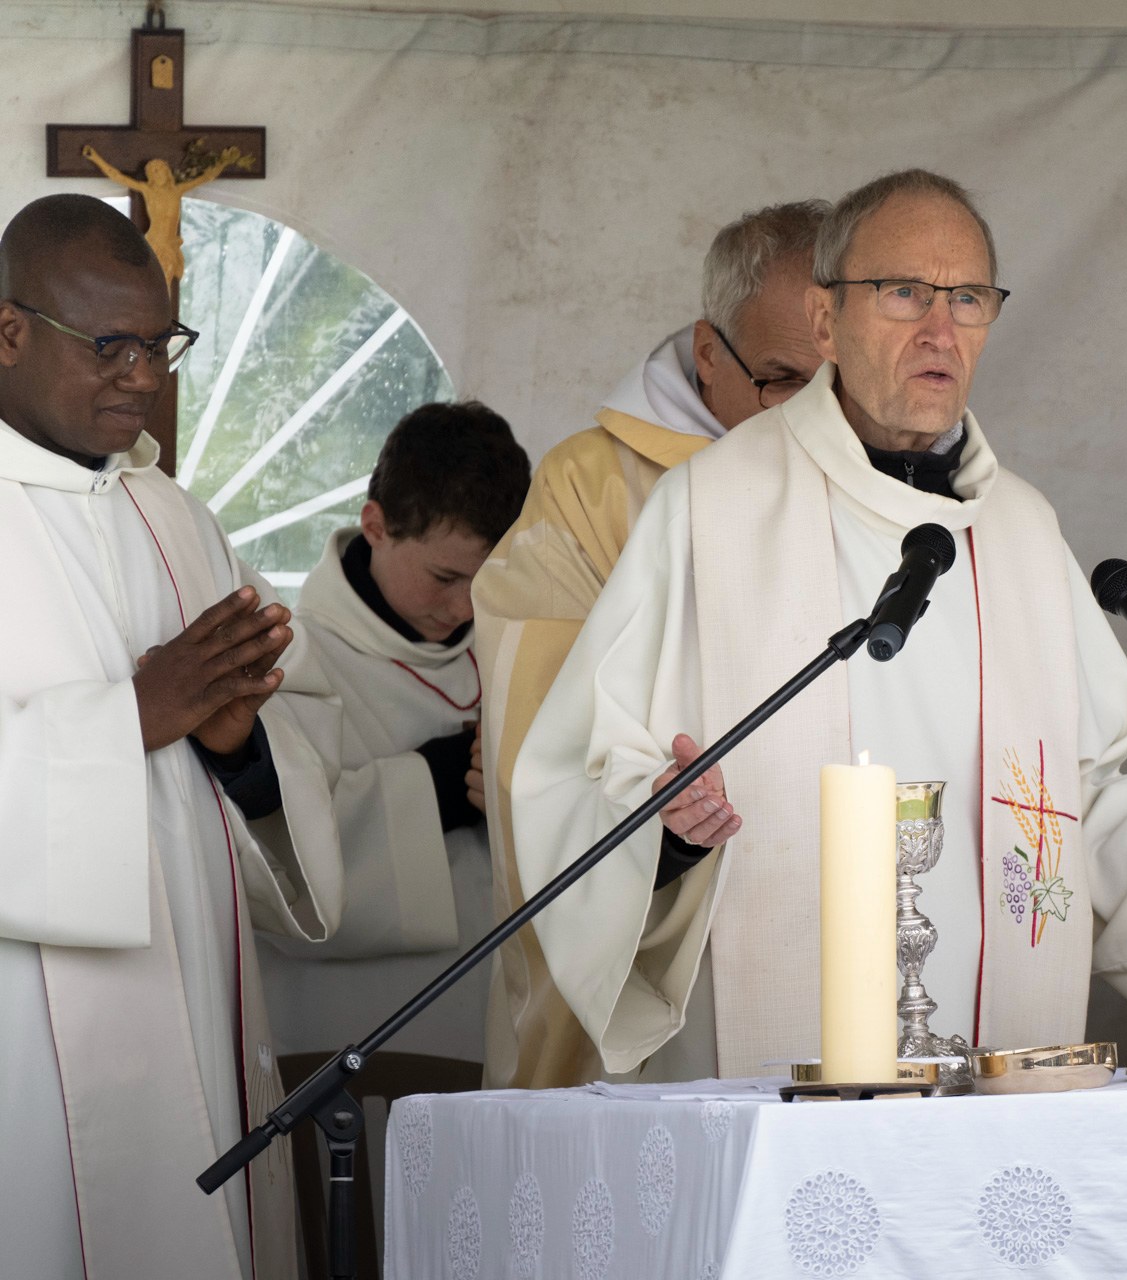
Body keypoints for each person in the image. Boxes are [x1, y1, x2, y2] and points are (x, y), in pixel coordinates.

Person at [512, 169, 1127, 1083]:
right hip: (773, 1083)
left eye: (968, 298)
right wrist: (669, 833)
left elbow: (1076, 812)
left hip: (995, 1092)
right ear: (825, 322)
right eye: (903, 293)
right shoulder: (710, 512)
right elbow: (579, 786)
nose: (940, 330)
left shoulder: (1021, 530)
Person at [0, 194, 345, 1279]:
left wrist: (236, 747)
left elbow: (258, 749)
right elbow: (149, 709)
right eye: (109, 344)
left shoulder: (178, 518)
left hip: (193, 985)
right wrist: (136, 714)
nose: (146, 375)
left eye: (160, 344)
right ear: (7, 331)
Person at [474, 198, 828, 1087]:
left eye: (841, 379)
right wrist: (653, 833)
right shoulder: (593, 488)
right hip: (683, 941)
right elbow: (537, 759)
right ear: (711, 354)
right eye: (785, 380)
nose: (818, 418)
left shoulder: (900, 485)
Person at [258, 402, 529, 1068]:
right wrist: (432, 787)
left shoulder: (523, 646)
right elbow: (275, 865)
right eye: (444, 576)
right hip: (358, 1034)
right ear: (375, 525)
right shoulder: (292, 661)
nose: (466, 606)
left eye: (489, 578)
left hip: (506, 1018)